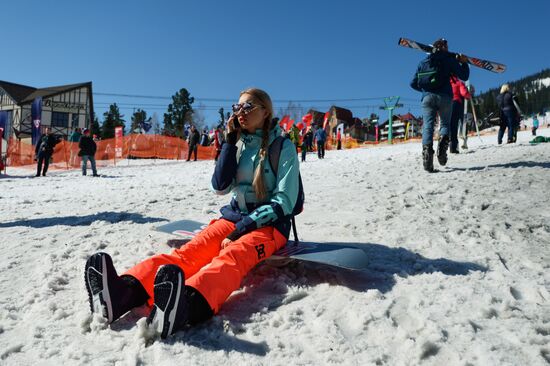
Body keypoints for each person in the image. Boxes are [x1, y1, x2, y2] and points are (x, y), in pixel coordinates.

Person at [84, 88, 300, 339]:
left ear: (265, 112)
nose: (241, 113)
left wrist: (243, 228)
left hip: (269, 226)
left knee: (233, 256)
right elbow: (219, 186)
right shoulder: (238, 144)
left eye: (248, 107)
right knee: (191, 252)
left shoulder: (282, 146)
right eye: (237, 107)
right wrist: (229, 144)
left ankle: (187, 304)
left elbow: (285, 201)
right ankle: (122, 293)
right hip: (233, 217)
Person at [410, 38, 470, 172]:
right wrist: (464, 63)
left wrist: (425, 92)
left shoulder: (423, 62)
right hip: (445, 97)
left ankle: (427, 158)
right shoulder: (449, 60)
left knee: (428, 127)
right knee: (444, 124)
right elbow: (464, 76)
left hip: (427, 98)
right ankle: (442, 150)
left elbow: (413, 83)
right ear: (444, 47)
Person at [449, 76, 472, 153]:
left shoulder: (447, 84)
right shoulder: (459, 83)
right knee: (463, 122)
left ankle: (453, 147)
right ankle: (464, 136)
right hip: (457, 104)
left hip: (448, 105)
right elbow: (464, 93)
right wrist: (468, 94)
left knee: (453, 127)